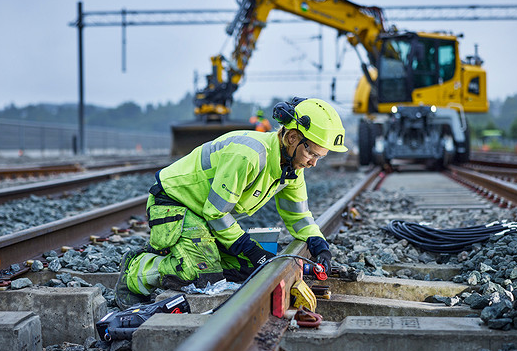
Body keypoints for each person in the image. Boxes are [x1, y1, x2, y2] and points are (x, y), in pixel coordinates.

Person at [115, 97, 348, 309]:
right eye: (313, 155)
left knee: (245, 270)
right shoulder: (249, 154)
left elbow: (298, 216)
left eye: (320, 157)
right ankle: (137, 270)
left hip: (203, 215)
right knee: (199, 273)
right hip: (173, 204)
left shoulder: (290, 169)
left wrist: (319, 245)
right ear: (292, 138)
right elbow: (217, 212)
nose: (314, 163)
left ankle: (185, 251)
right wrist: (250, 248)